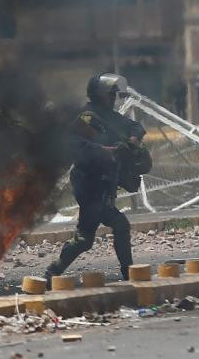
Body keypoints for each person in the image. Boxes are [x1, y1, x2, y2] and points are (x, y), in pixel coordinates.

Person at [45, 74, 147, 282]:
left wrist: (131, 142)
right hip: (89, 183)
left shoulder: (111, 117)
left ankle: (53, 271)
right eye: (110, 95)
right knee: (116, 226)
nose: (113, 99)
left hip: (105, 183)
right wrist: (107, 150)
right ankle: (128, 272)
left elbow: (136, 128)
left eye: (113, 95)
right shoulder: (86, 117)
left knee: (86, 238)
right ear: (99, 96)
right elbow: (76, 145)